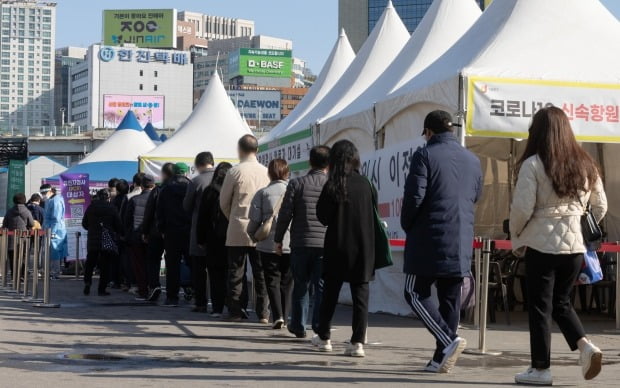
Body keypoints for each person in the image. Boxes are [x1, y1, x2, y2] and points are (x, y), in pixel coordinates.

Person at [510, 107, 607, 385]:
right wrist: (577, 223)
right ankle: (586, 346)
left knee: (541, 306)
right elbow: (600, 206)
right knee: (561, 303)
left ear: (538, 131)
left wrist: (517, 235)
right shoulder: (586, 162)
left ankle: (540, 369)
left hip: (542, 245)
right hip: (575, 247)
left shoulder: (533, 164)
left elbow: (522, 208)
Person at [400, 110, 482, 373]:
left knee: (414, 293)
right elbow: (476, 196)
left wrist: (407, 224)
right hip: (461, 238)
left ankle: (448, 340)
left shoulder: (424, 155)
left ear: (429, 132)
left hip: (429, 237)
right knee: (450, 298)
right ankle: (440, 358)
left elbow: (414, 197)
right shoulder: (473, 160)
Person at [313, 140, 376, 358]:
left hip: (337, 245)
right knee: (361, 295)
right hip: (364, 246)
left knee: (330, 293)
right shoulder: (366, 183)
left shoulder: (333, 184)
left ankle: (324, 337)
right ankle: (357, 342)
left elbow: (322, 217)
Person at [274, 145, 330, 338]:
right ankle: (319, 325)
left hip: (300, 242)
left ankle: (298, 325)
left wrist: (278, 239)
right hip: (325, 244)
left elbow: (285, 214)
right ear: (328, 164)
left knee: (301, 284)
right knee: (321, 286)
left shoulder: (297, 184)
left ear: (309, 162)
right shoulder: (331, 184)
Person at [220, 134, 270, 322]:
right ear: (257, 150)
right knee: (261, 272)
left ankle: (236, 311)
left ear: (240, 150)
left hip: (238, 226)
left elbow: (224, 202)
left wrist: (233, 216)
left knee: (236, 271)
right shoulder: (266, 171)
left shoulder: (234, 172)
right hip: (260, 229)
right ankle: (264, 313)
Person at [248, 159, 292, 330]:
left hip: (267, 244)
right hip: (290, 243)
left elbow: (254, 220)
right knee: (287, 281)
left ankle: (277, 316)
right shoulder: (293, 190)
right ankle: (286, 317)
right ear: (287, 172)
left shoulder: (262, 193)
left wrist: (253, 236)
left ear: (269, 173)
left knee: (272, 280)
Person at [197, 162, 233, 318]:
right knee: (233, 272)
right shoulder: (234, 191)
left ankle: (217, 307)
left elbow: (202, 218)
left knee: (215, 273)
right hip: (232, 236)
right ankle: (235, 306)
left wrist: (200, 239)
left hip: (213, 238)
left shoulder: (209, 191)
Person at [183, 152, 216, 313]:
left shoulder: (195, 181)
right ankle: (219, 304)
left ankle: (201, 302)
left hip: (198, 230)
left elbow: (187, 206)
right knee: (219, 269)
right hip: (220, 231)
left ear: (198, 164)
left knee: (199, 269)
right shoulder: (223, 179)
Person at [157, 163, 192, 307]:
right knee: (192, 263)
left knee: (172, 265)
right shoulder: (192, 186)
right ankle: (194, 291)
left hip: (171, 232)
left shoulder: (165, 189)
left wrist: (162, 229)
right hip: (189, 231)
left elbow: (160, 212)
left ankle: (172, 297)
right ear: (186, 173)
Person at [142, 163, 176, 302]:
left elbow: (149, 212)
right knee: (174, 262)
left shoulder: (158, 190)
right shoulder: (186, 187)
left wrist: (145, 232)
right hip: (175, 231)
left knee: (153, 260)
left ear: (164, 174)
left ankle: (155, 285)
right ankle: (177, 290)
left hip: (156, 231)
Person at [82, 189, 122, 296]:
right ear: (108, 198)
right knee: (105, 265)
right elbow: (118, 224)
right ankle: (101, 289)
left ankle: (87, 282)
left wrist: (92, 228)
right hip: (106, 238)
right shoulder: (112, 208)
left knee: (90, 262)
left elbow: (84, 223)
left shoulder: (91, 207)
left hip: (93, 239)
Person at [124, 175, 155, 300]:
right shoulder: (157, 198)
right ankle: (153, 287)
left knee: (139, 265)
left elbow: (127, 221)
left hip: (136, 237)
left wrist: (128, 236)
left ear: (141, 186)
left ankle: (143, 291)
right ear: (153, 186)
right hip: (152, 236)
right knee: (152, 263)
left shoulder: (134, 200)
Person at [2, 193, 34, 274]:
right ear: (24, 200)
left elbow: (5, 224)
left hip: (11, 238)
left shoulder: (9, 211)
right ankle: (22, 275)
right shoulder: (27, 211)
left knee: (12, 257)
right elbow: (32, 224)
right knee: (23, 257)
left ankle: (14, 275)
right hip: (23, 238)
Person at [43, 187, 68, 278]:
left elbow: (56, 218)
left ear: (51, 191)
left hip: (54, 228)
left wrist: (51, 230)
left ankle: (55, 273)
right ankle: (50, 271)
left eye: (45, 192)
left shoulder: (56, 201)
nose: (44, 194)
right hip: (50, 228)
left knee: (55, 251)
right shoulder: (51, 200)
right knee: (52, 251)